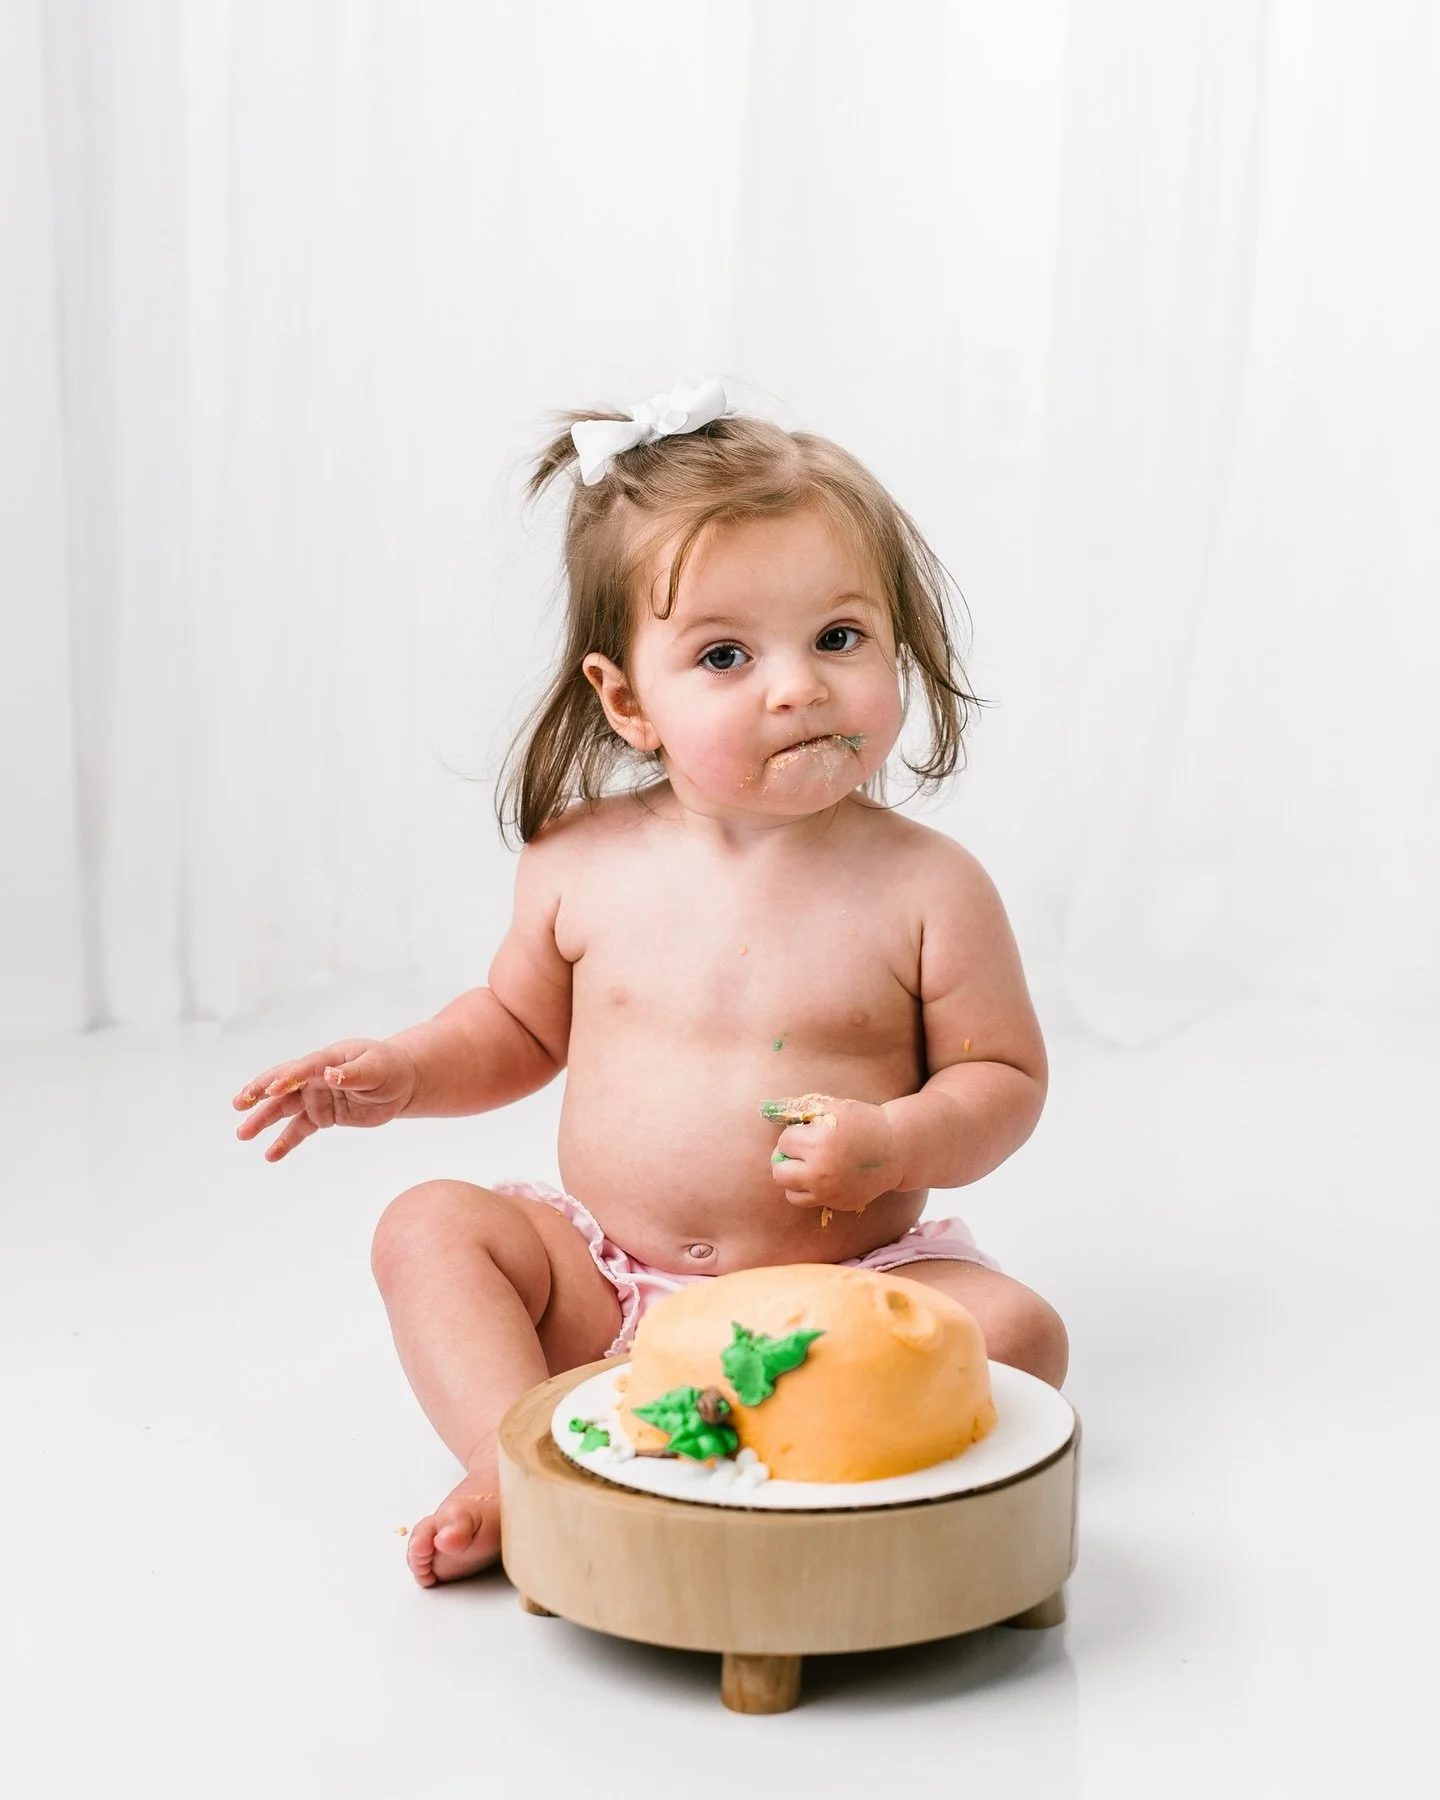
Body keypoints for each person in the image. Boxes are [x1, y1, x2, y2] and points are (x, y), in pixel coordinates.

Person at [232, 377, 1069, 1587]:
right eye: (726, 655)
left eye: (839, 638)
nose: (798, 686)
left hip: (837, 1298)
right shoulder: (581, 861)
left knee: (1019, 1335)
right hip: (608, 1291)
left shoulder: (929, 887)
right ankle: (521, 1457)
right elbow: (516, 1027)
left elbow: (1004, 1081)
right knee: (428, 1230)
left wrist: (894, 1143)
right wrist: (404, 1073)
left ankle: (740, 1435)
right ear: (628, 701)